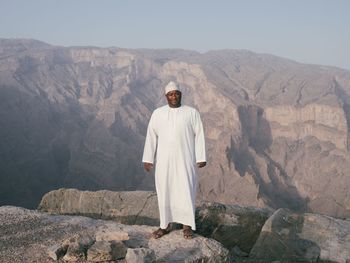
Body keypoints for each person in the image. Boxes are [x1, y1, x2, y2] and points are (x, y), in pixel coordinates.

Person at [142, 81, 206, 239]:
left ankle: (187, 226)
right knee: (165, 191)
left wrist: (201, 156)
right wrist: (148, 158)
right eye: (170, 94)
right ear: (166, 97)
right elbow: (151, 135)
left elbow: (199, 135)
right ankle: (164, 226)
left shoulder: (192, 113)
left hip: (186, 160)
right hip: (164, 162)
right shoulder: (158, 113)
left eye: (176, 93)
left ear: (181, 95)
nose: (174, 97)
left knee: (186, 190)